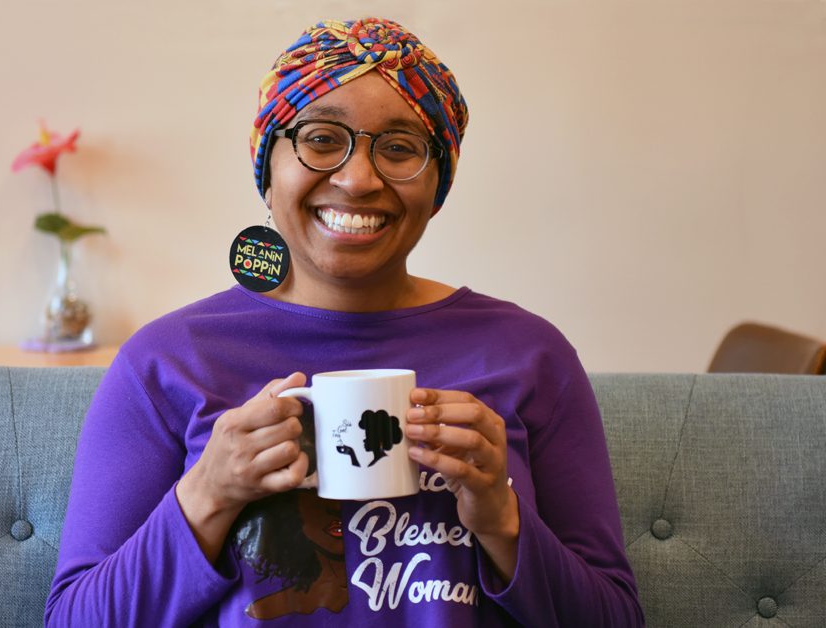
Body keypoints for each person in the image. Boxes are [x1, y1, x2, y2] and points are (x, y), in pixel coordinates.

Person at [45, 16, 644, 627]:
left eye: (400, 148)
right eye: (322, 138)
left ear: (438, 182)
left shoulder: (530, 354)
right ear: (268, 164)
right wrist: (209, 494)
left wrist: (502, 518)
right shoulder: (167, 360)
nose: (358, 180)